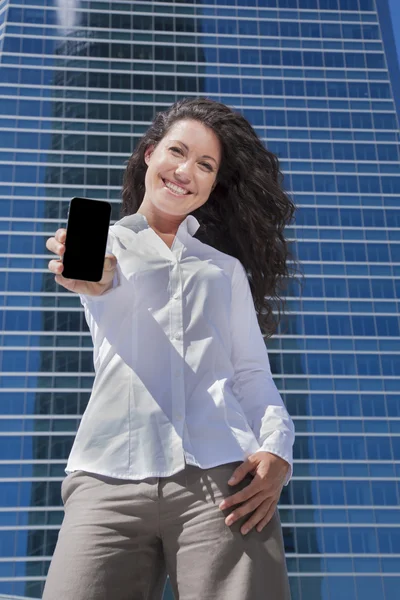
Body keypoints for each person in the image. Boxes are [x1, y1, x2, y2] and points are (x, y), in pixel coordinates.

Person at [42, 97, 299, 600]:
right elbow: (96, 283)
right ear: (149, 153)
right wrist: (92, 279)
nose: (187, 171)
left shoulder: (223, 270)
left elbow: (250, 373)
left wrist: (276, 448)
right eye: (177, 152)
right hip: (106, 477)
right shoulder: (105, 247)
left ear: (213, 184)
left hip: (224, 481)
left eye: (205, 165)